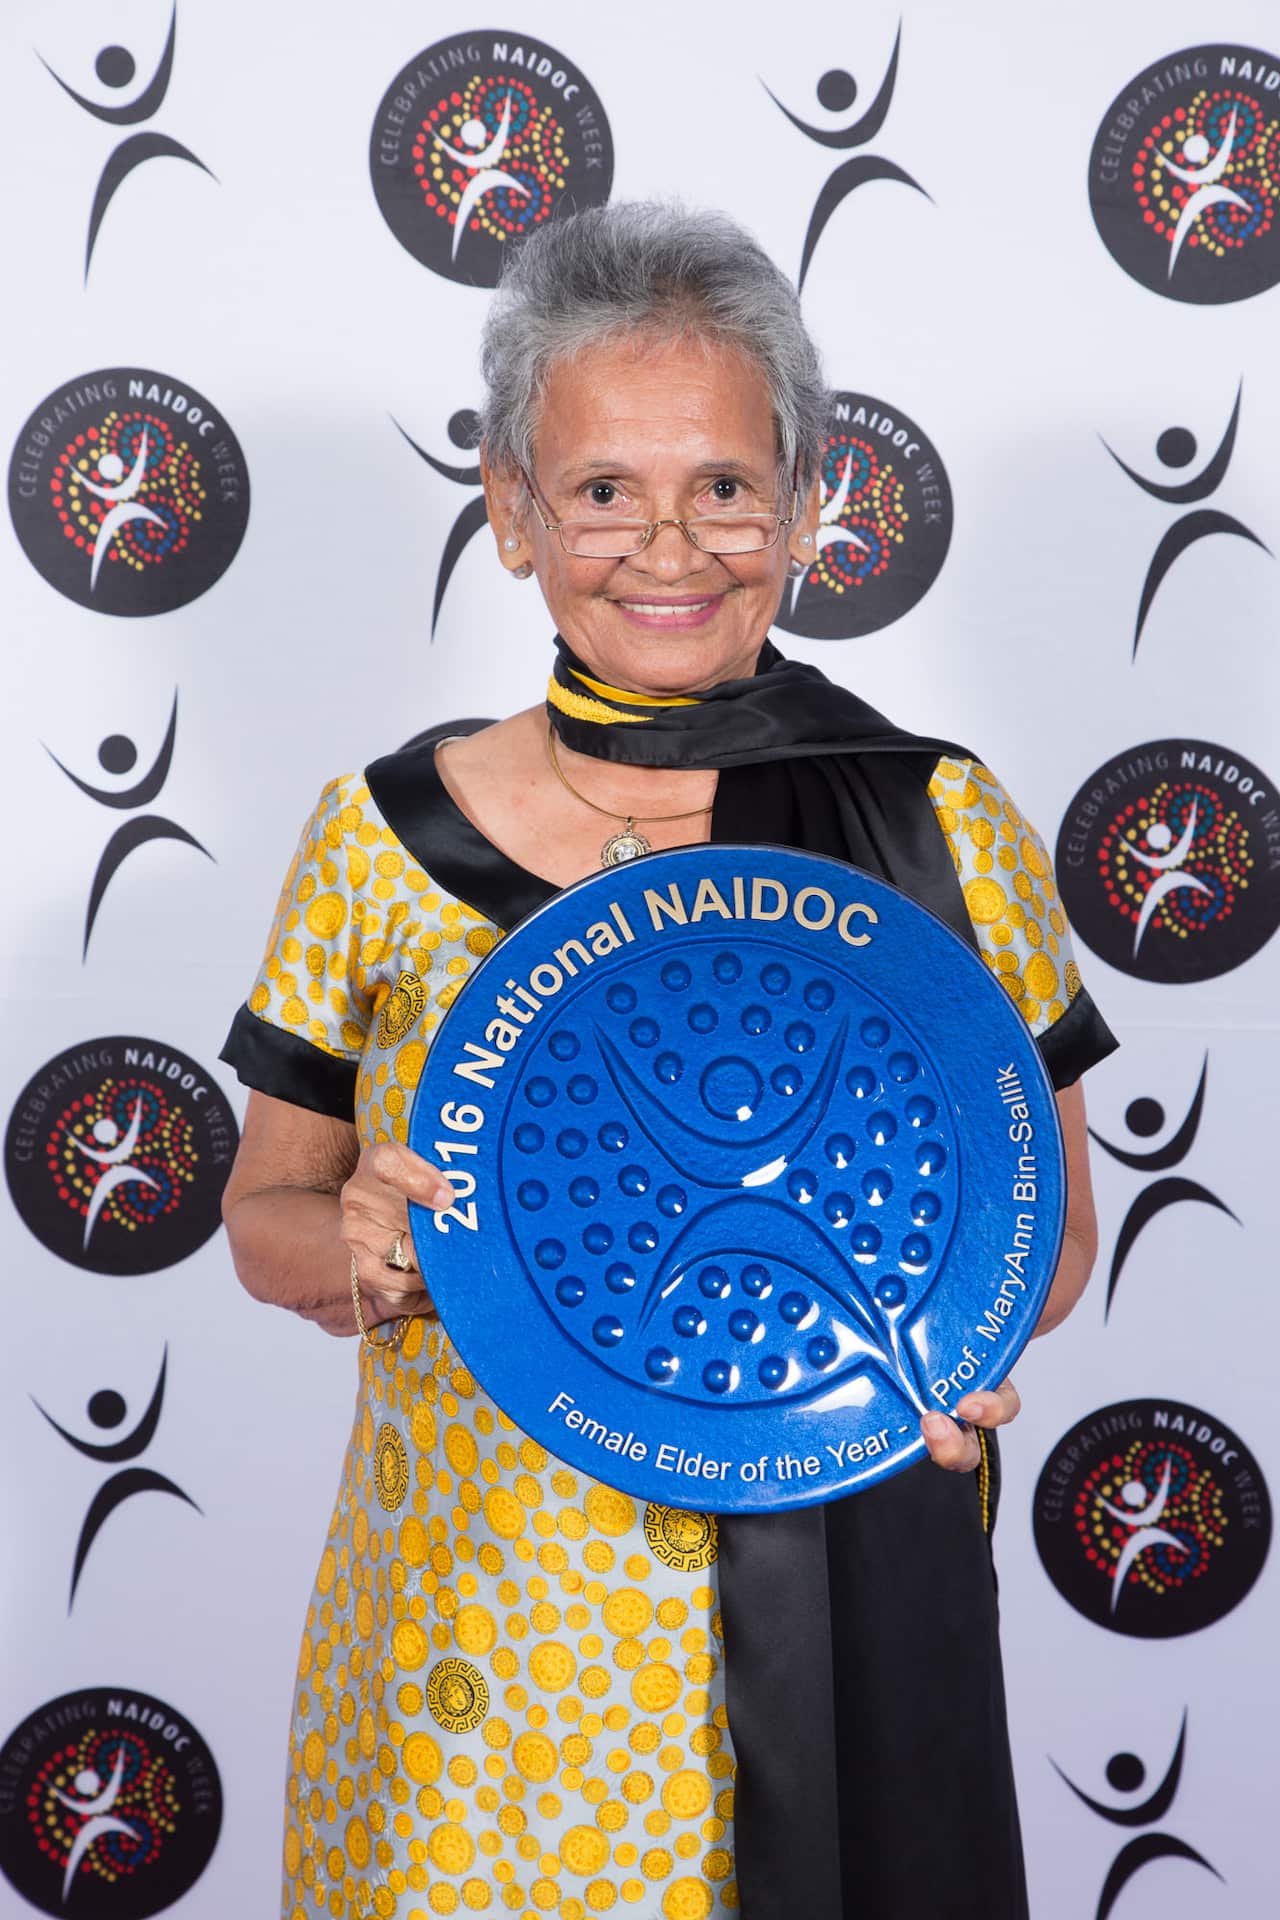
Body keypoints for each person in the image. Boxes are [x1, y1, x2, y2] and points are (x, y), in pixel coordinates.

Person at [220, 201, 1115, 1920]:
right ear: (510, 514)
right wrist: (347, 1248)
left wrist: (953, 1340)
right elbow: (268, 1206)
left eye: (723, 483)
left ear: (802, 503)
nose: (669, 546)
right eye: (605, 490)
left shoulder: (933, 821)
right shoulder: (382, 837)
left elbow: (1049, 1227)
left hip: (824, 1637)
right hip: (472, 1680)